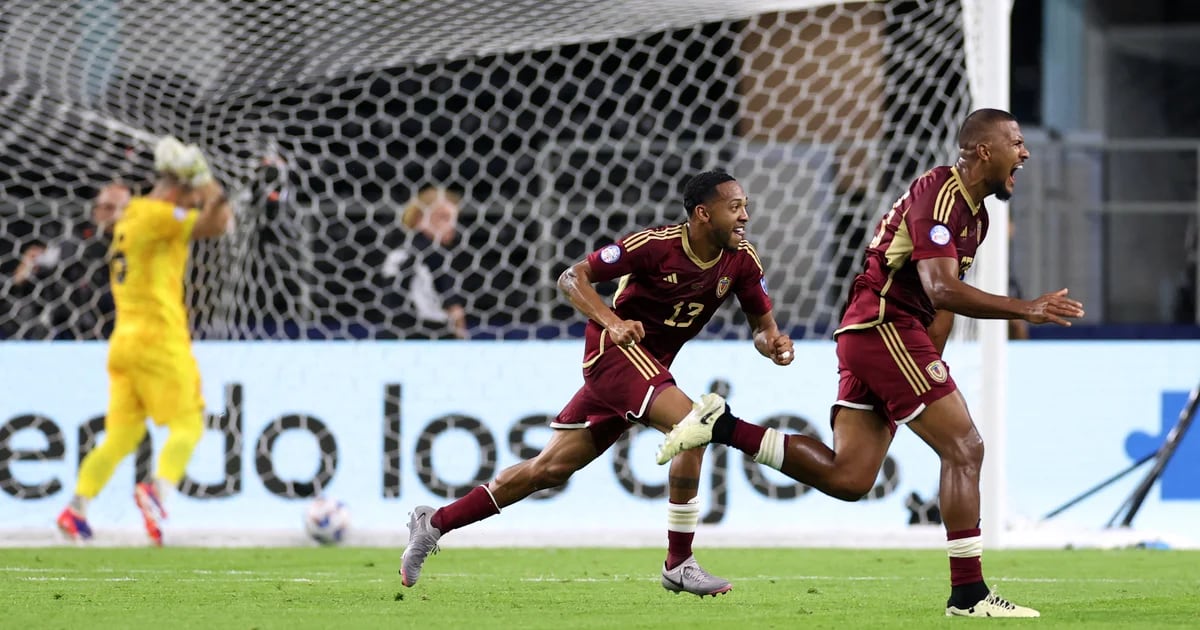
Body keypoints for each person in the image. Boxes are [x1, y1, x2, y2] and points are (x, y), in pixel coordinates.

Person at [656, 110, 1085, 618]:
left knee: (851, 478)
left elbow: (941, 306)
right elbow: (941, 288)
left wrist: (927, 372)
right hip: (883, 328)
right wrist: (1024, 308)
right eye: (1016, 142)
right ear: (983, 150)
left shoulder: (976, 216)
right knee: (965, 446)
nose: (1026, 151)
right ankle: (968, 595)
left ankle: (720, 425)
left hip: (885, 339)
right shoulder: (940, 195)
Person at [399, 169, 794, 595]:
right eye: (735, 207)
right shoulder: (655, 246)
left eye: (745, 207)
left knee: (547, 469)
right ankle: (679, 563)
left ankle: (434, 522)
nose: (745, 216)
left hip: (649, 369)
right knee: (692, 429)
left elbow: (761, 327)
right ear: (702, 213)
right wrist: (613, 321)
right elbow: (572, 277)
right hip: (613, 354)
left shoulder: (743, 260)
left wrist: (772, 343)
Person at [56, 136, 233, 546]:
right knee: (189, 423)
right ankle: (158, 491)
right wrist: (208, 183)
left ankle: (76, 509)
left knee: (122, 435)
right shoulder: (158, 215)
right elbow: (217, 223)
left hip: (123, 342)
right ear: (179, 189)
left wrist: (195, 184)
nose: (193, 204)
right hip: (158, 337)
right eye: (190, 195)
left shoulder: (132, 214)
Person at [377, 185, 470, 339]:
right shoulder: (433, 253)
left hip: (393, 336)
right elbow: (454, 309)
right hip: (430, 337)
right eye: (443, 217)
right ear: (420, 218)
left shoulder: (398, 249)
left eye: (454, 219)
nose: (452, 225)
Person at [60, 182, 133, 339]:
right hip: (79, 335)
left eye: (124, 209)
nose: (116, 216)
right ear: (95, 210)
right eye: (108, 208)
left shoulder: (141, 249)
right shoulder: (75, 246)